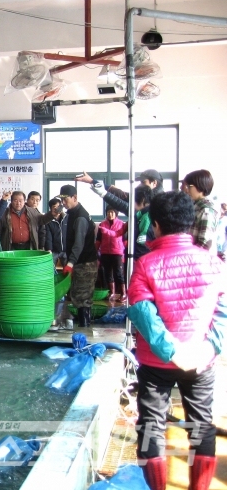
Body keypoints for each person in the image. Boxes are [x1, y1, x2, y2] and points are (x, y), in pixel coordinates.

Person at [127, 191, 226, 490]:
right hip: (201, 360)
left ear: (156, 224)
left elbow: (143, 314)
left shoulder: (145, 264)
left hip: (156, 363)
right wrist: (210, 347)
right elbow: (223, 310)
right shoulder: (213, 262)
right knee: (201, 426)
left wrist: (171, 351)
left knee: (150, 428)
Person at [58, 184, 97, 328]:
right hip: (79, 262)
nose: (63, 203)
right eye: (61, 199)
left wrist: (70, 263)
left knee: (83, 297)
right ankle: (83, 325)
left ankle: (85, 330)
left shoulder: (80, 216)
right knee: (78, 295)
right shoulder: (71, 214)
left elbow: (78, 243)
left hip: (85, 263)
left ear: (75, 197)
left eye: (65, 199)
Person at [92, 183, 155, 261]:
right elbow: (119, 232)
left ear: (142, 200)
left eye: (133, 200)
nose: (132, 204)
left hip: (141, 260)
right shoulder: (138, 215)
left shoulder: (150, 217)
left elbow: (121, 204)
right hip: (133, 258)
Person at [181, 169, 220, 254]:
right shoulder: (194, 206)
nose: (185, 190)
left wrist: (189, 258)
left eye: (189, 186)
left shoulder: (206, 210)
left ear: (200, 187)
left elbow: (204, 244)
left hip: (198, 261)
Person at [76, 168, 164, 203]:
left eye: (143, 182)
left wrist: (103, 192)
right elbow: (123, 195)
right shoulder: (145, 198)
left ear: (154, 183)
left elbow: (123, 202)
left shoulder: (158, 203)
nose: (140, 186)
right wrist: (92, 181)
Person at [96, 208, 127, 302]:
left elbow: (125, 240)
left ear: (116, 213)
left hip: (117, 252)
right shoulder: (102, 224)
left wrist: (124, 253)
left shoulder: (122, 224)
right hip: (105, 252)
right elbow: (98, 240)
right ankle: (111, 293)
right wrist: (95, 251)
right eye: (108, 212)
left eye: (112, 212)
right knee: (108, 273)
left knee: (118, 274)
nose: (110, 214)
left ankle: (123, 294)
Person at [39, 197, 67, 267]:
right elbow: (48, 237)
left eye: (58, 206)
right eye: (54, 207)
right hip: (54, 250)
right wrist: (49, 249)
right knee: (50, 268)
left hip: (66, 250)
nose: (57, 209)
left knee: (69, 272)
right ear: (50, 208)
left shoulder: (67, 218)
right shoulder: (48, 221)